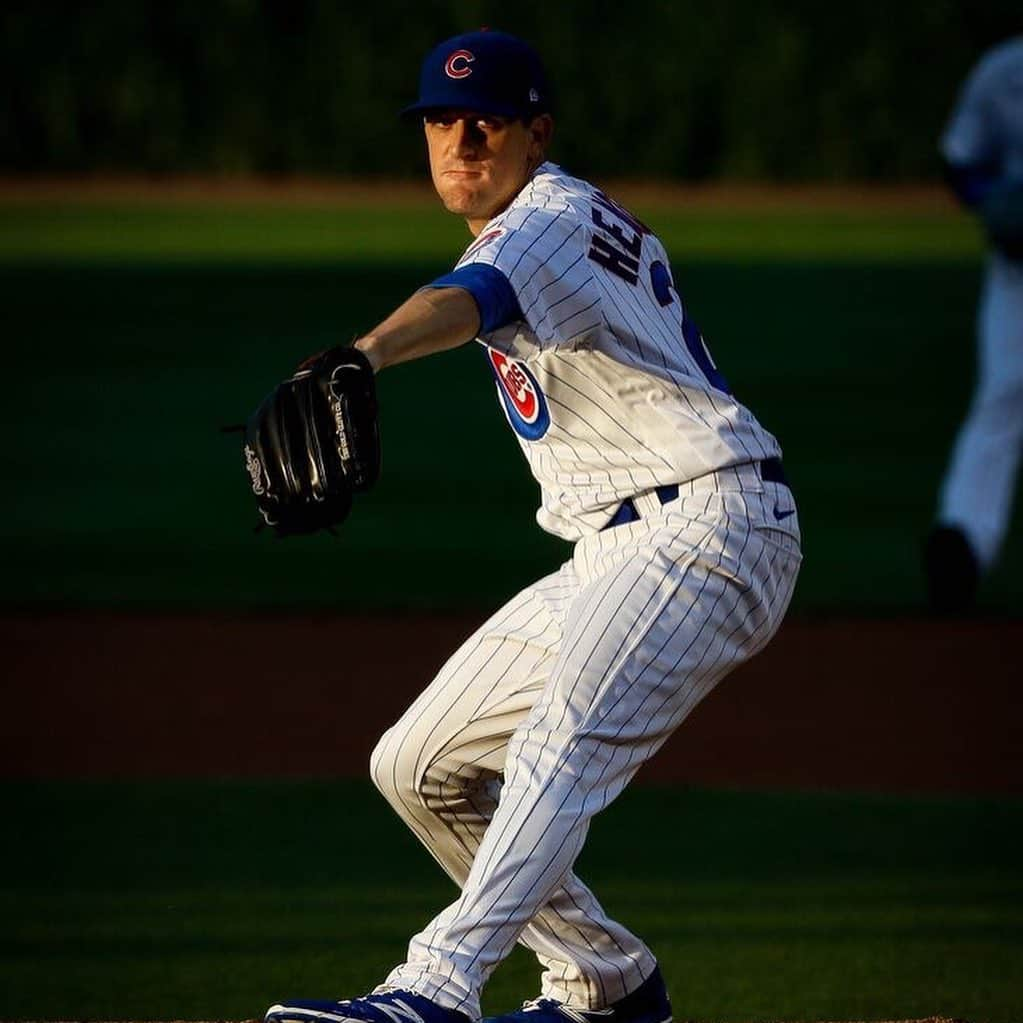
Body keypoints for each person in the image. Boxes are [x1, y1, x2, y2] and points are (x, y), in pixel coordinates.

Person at [264, 29, 802, 1023]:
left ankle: (435, 986)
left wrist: (362, 356)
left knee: (559, 742)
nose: (461, 139)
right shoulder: (548, 217)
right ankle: (608, 979)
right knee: (418, 765)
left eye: (487, 119)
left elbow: (476, 297)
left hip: (706, 526)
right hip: (627, 543)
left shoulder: (546, 216)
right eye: (439, 120)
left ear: (534, 132)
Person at [924, 36, 1023, 613]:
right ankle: (961, 545)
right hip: (1017, 274)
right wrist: (996, 198)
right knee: (1002, 399)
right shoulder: (1005, 72)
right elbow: (960, 159)